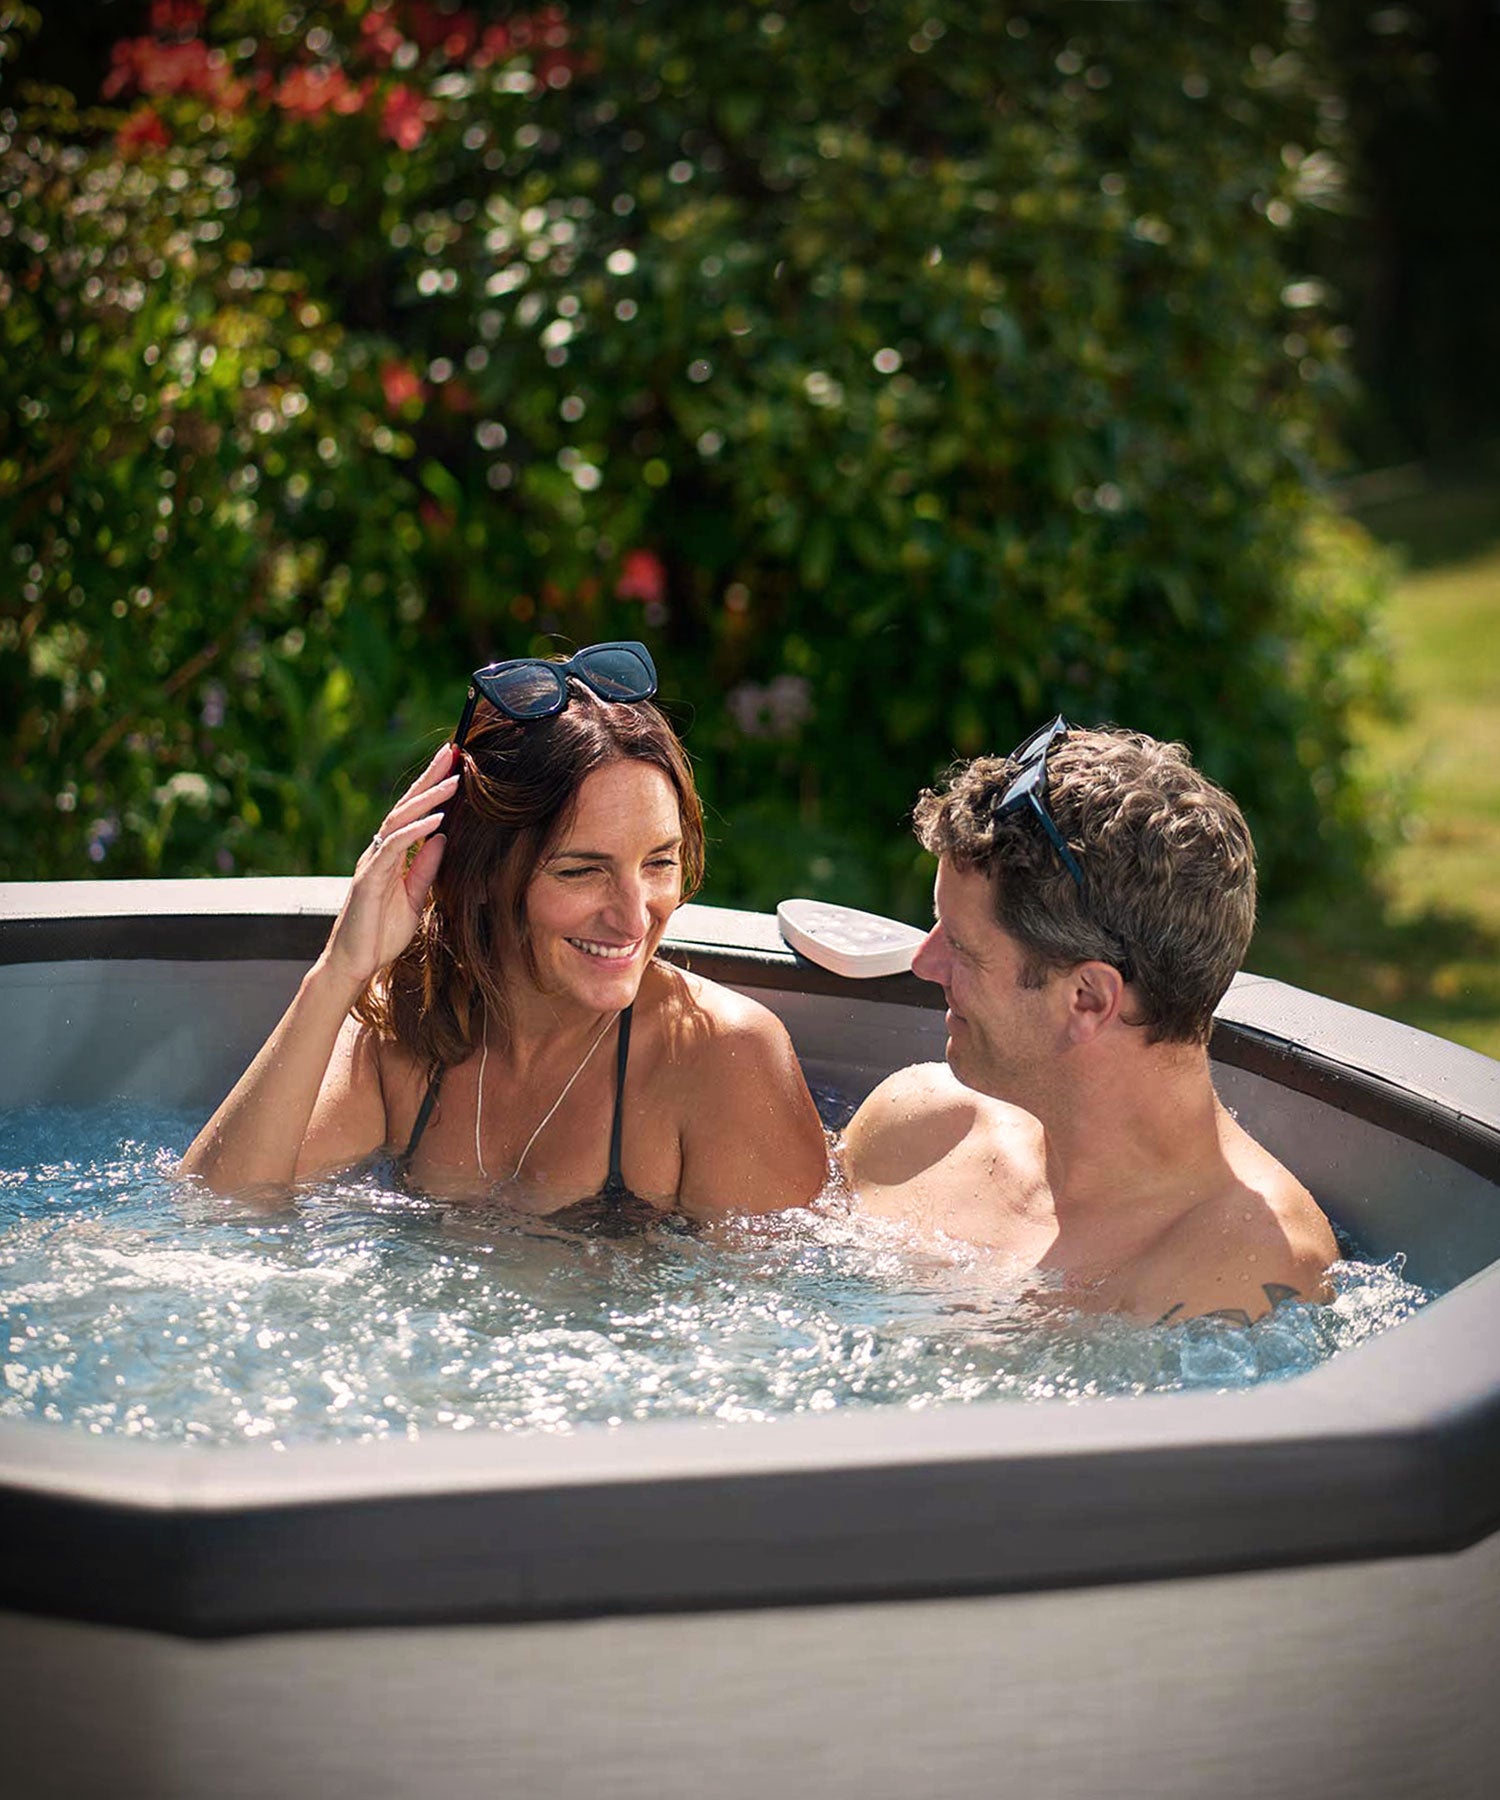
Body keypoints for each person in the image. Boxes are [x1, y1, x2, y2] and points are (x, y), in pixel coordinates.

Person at [180, 642, 828, 1227]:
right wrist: (338, 974)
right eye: (582, 871)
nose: (635, 918)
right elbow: (220, 1219)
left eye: (660, 861)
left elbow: (766, 1339)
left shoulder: (722, 1058)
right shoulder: (407, 1020)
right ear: (485, 873)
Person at [842, 717, 1337, 1322]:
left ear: (1089, 1000)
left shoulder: (1236, 1271)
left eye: (963, 947)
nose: (924, 961)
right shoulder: (915, 1129)